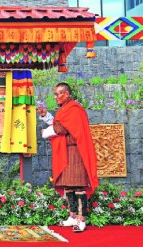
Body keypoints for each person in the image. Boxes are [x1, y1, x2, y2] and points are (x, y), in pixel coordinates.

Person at [39, 82, 98, 232]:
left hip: (76, 153)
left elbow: (61, 128)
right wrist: (46, 117)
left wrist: (46, 132)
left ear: (67, 94)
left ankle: (81, 219)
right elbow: (58, 123)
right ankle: (72, 216)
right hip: (65, 152)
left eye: (59, 93)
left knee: (78, 186)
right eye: (55, 94)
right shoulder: (65, 109)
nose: (56, 97)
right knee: (68, 186)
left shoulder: (74, 109)